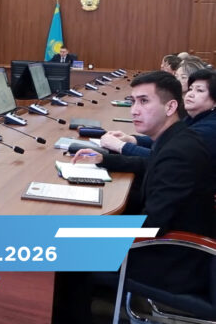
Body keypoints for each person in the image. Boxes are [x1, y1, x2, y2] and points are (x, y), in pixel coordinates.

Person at [73, 71, 212, 291]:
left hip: (173, 259)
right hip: (170, 245)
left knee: (65, 243)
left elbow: (151, 227)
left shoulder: (179, 152)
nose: (134, 110)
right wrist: (104, 159)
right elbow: (152, 165)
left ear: (170, 107)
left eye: (144, 101)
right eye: (133, 101)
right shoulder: (177, 138)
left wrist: (86, 231)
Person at [101, 69, 216, 160]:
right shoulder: (192, 118)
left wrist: (121, 146)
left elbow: (163, 157)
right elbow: (166, 140)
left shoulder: (209, 129)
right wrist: (132, 140)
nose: (190, 94)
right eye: (190, 89)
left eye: (199, 90)